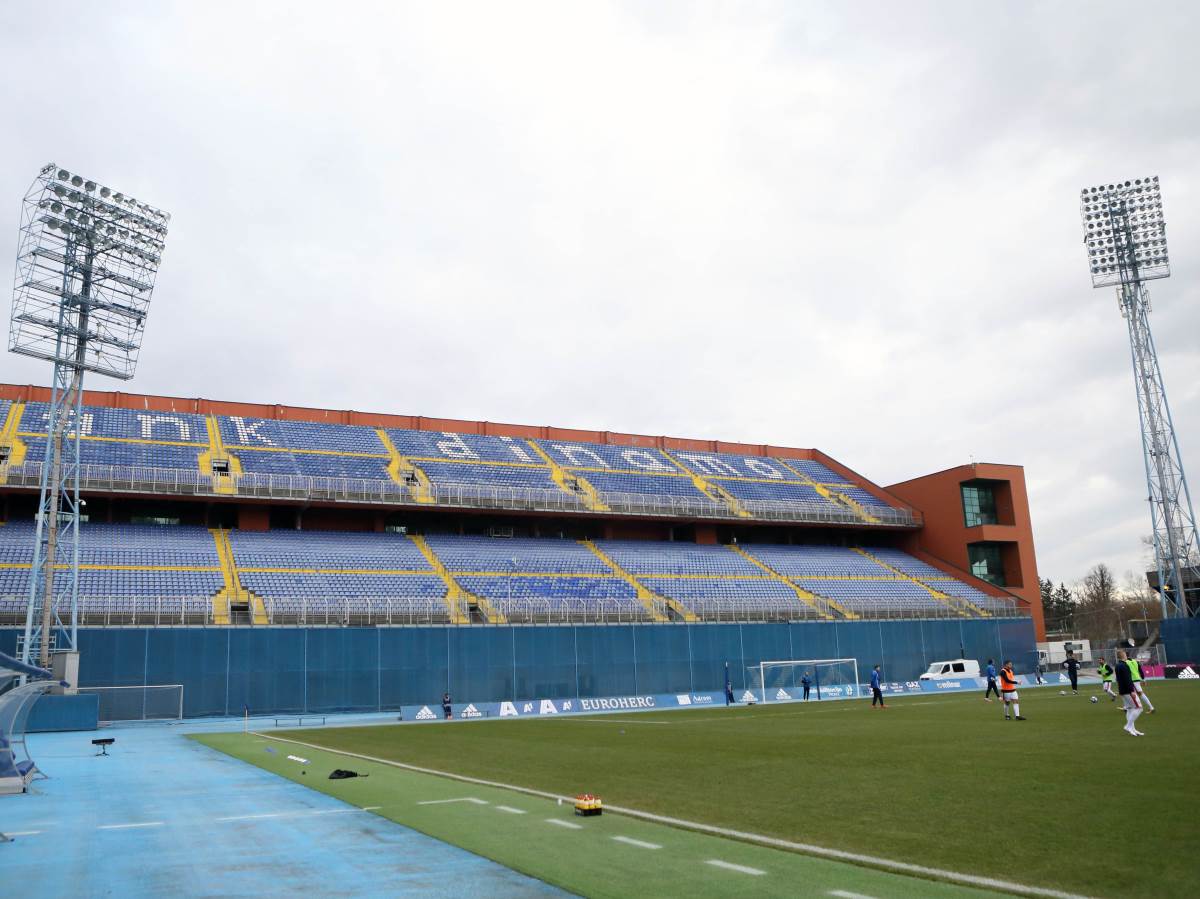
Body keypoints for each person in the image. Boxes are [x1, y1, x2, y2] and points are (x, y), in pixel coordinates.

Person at [1115, 650, 1145, 736]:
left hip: (1122, 691)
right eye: (1125, 654)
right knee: (1139, 708)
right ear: (1123, 655)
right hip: (1128, 691)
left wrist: (1120, 690)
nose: (1126, 655)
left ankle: (1133, 729)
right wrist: (1132, 690)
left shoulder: (1117, 666)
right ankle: (1128, 726)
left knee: (1130, 709)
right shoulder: (1125, 666)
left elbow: (1118, 680)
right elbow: (1127, 679)